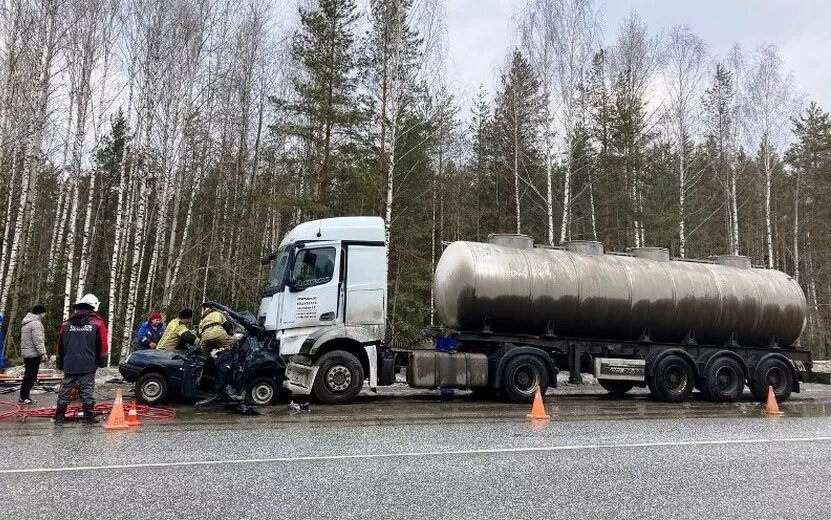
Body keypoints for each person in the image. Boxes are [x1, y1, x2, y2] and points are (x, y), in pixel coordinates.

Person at [55, 294, 108, 424]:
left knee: (66, 388)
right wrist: (102, 361)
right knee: (87, 388)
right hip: (88, 362)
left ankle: (60, 415)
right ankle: (88, 416)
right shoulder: (98, 323)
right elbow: (103, 343)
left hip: (70, 362)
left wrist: (60, 361)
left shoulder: (66, 324)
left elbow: (60, 344)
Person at [196, 307, 244, 404]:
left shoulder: (202, 320)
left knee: (205, 355)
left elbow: (199, 334)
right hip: (219, 335)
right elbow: (227, 326)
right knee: (233, 342)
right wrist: (230, 336)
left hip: (205, 338)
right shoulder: (218, 314)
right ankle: (230, 361)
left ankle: (208, 362)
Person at [19, 304, 47, 405]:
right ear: (40, 313)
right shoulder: (36, 324)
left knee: (28, 375)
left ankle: (24, 396)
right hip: (33, 354)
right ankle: (24, 397)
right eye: (44, 313)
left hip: (27, 353)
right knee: (31, 376)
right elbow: (38, 341)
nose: (44, 315)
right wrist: (43, 353)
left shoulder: (27, 323)